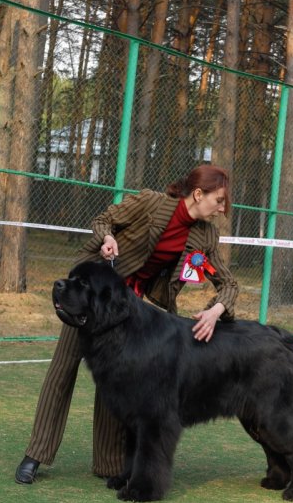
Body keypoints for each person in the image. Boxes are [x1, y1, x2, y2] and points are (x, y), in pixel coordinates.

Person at [15, 165, 239, 484]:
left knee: (115, 379)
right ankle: (35, 455)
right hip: (92, 295)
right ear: (198, 194)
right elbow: (103, 219)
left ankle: (108, 463)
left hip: (128, 311)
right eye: (219, 201)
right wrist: (107, 237)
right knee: (63, 369)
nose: (221, 210)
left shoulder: (207, 235)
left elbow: (229, 285)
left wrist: (216, 311)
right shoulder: (150, 203)